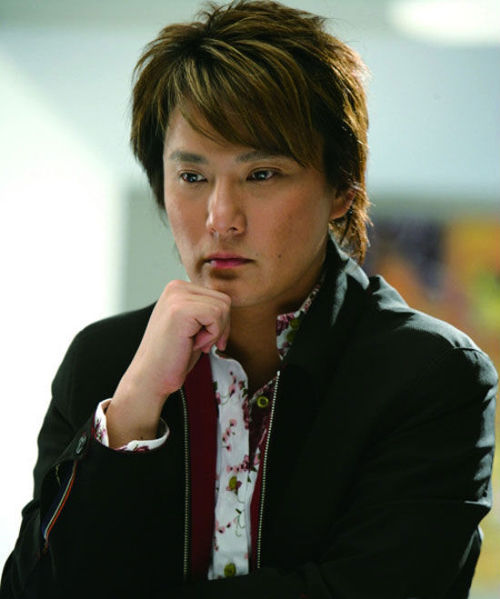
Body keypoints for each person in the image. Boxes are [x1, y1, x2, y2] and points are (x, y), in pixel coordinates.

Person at [1, 1, 497, 597]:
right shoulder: (105, 361)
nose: (221, 218)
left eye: (261, 175)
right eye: (192, 177)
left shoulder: (431, 374)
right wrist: (132, 410)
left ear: (343, 187)